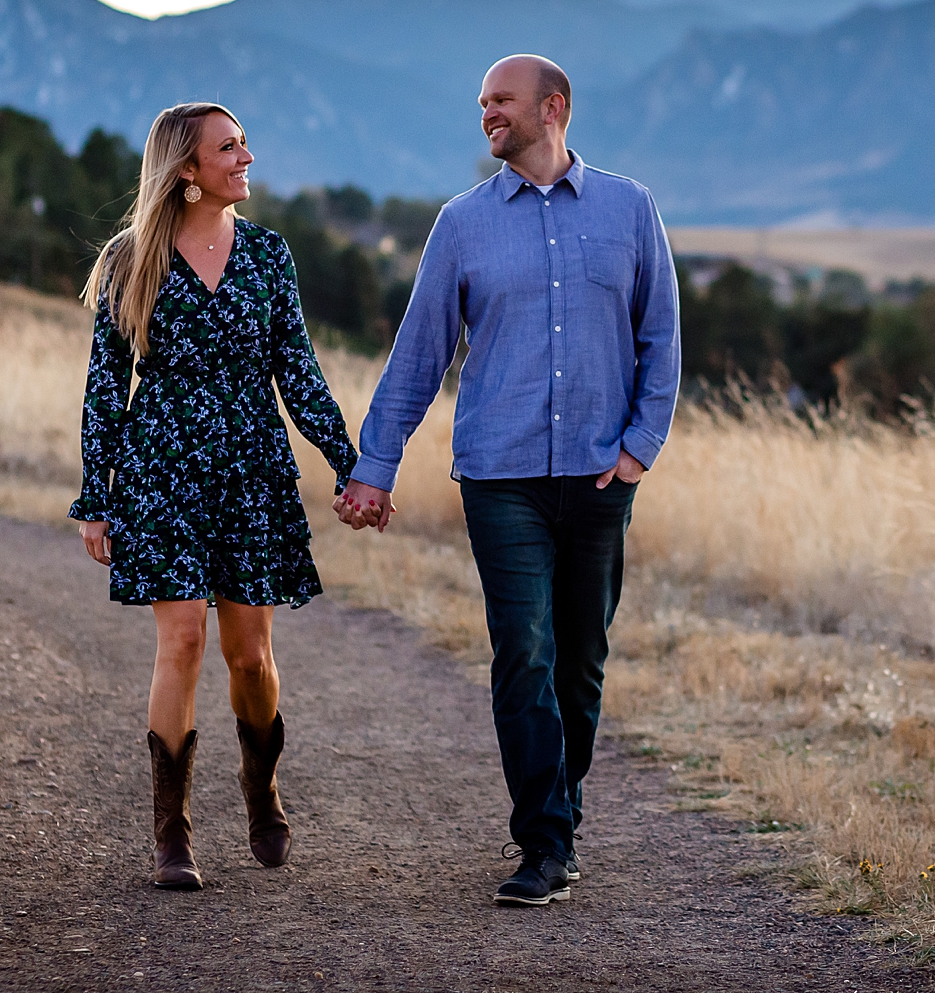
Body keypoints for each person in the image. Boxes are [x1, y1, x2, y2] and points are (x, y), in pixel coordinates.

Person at [337, 54, 681, 907]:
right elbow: (419, 353)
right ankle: (546, 843)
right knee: (523, 652)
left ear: (552, 107)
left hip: (602, 478)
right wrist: (374, 469)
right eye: (482, 100)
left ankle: (557, 807)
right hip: (501, 477)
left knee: (582, 663)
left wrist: (639, 447)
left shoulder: (630, 210)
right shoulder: (461, 224)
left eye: (501, 99)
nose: (486, 112)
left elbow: (662, 339)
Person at [72, 102, 358, 891]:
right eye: (229, 149)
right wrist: (97, 495)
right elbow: (105, 387)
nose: (247, 158)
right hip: (162, 468)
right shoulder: (131, 260)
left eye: (243, 145)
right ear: (186, 171)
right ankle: (172, 834)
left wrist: (350, 462)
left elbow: (296, 371)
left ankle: (260, 784)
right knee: (182, 644)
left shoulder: (268, 255)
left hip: (250, 468)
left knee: (250, 655)